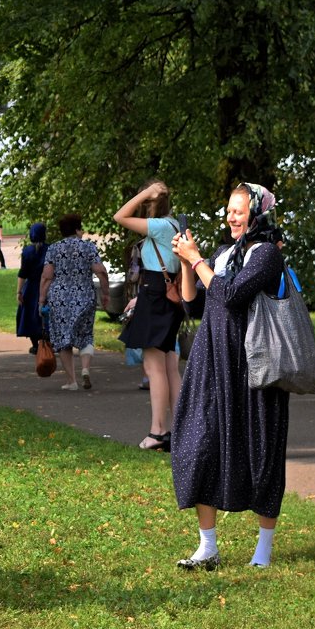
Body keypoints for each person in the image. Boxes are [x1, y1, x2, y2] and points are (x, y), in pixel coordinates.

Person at [170, 183, 288, 569]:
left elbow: (234, 294)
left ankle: (263, 551)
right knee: (198, 443)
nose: (230, 217)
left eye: (237, 211)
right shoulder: (222, 254)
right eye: (228, 211)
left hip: (254, 366)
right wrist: (189, 264)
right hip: (212, 362)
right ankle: (208, 546)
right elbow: (196, 302)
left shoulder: (266, 254)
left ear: (256, 212)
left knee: (260, 449)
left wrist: (198, 259)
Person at [113, 181, 185, 451]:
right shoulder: (174, 225)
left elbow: (119, 216)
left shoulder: (160, 226)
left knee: (154, 368)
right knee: (168, 366)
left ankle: (158, 432)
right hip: (161, 294)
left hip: (156, 297)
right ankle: (177, 430)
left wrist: (144, 192)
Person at [39, 214, 109, 390]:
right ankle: (85, 369)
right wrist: (105, 293)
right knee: (86, 335)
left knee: (64, 339)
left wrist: (41, 299)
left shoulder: (54, 249)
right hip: (84, 296)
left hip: (59, 299)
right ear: (77, 230)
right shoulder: (88, 247)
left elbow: (47, 276)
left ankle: (72, 381)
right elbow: (100, 271)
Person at [16, 222, 49, 354]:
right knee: (45, 312)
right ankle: (47, 339)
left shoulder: (27, 251)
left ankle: (35, 344)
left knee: (29, 313)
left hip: (31, 286)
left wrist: (19, 291)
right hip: (47, 285)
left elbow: (23, 273)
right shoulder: (50, 249)